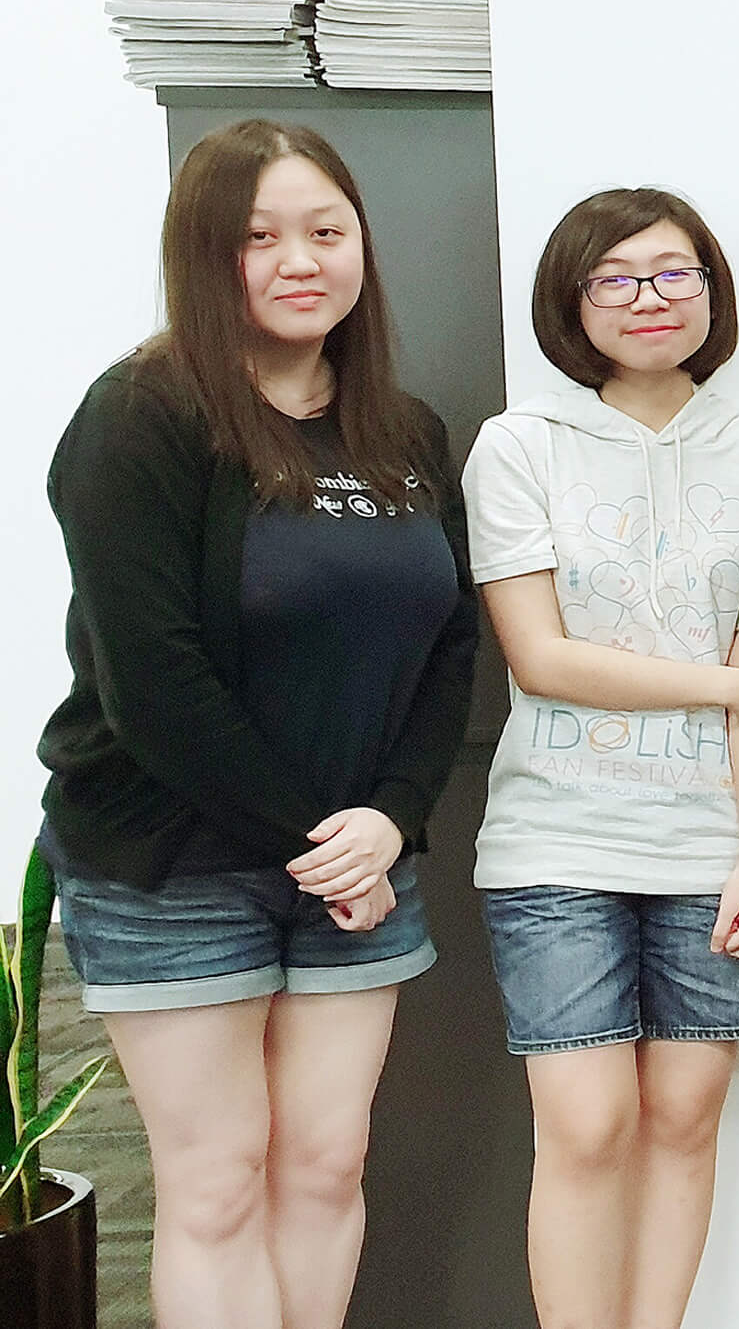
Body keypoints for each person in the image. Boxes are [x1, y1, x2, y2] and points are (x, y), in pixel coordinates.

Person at [38, 118, 477, 1329]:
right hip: (172, 860)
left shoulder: (404, 430)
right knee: (219, 1183)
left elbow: (450, 646)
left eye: (326, 231)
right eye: (260, 237)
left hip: (358, 864)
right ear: (203, 254)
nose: (300, 260)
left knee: (325, 1167)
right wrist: (323, 840)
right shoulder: (140, 416)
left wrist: (389, 821)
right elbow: (152, 681)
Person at [465, 187, 739, 1329]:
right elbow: (539, 658)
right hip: (555, 838)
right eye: (614, 278)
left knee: (682, 1115)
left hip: (716, 842)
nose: (648, 298)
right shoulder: (519, 448)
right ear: (572, 304)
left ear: (712, 291)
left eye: (674, 274)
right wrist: (725, 685)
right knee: (586, 1122)